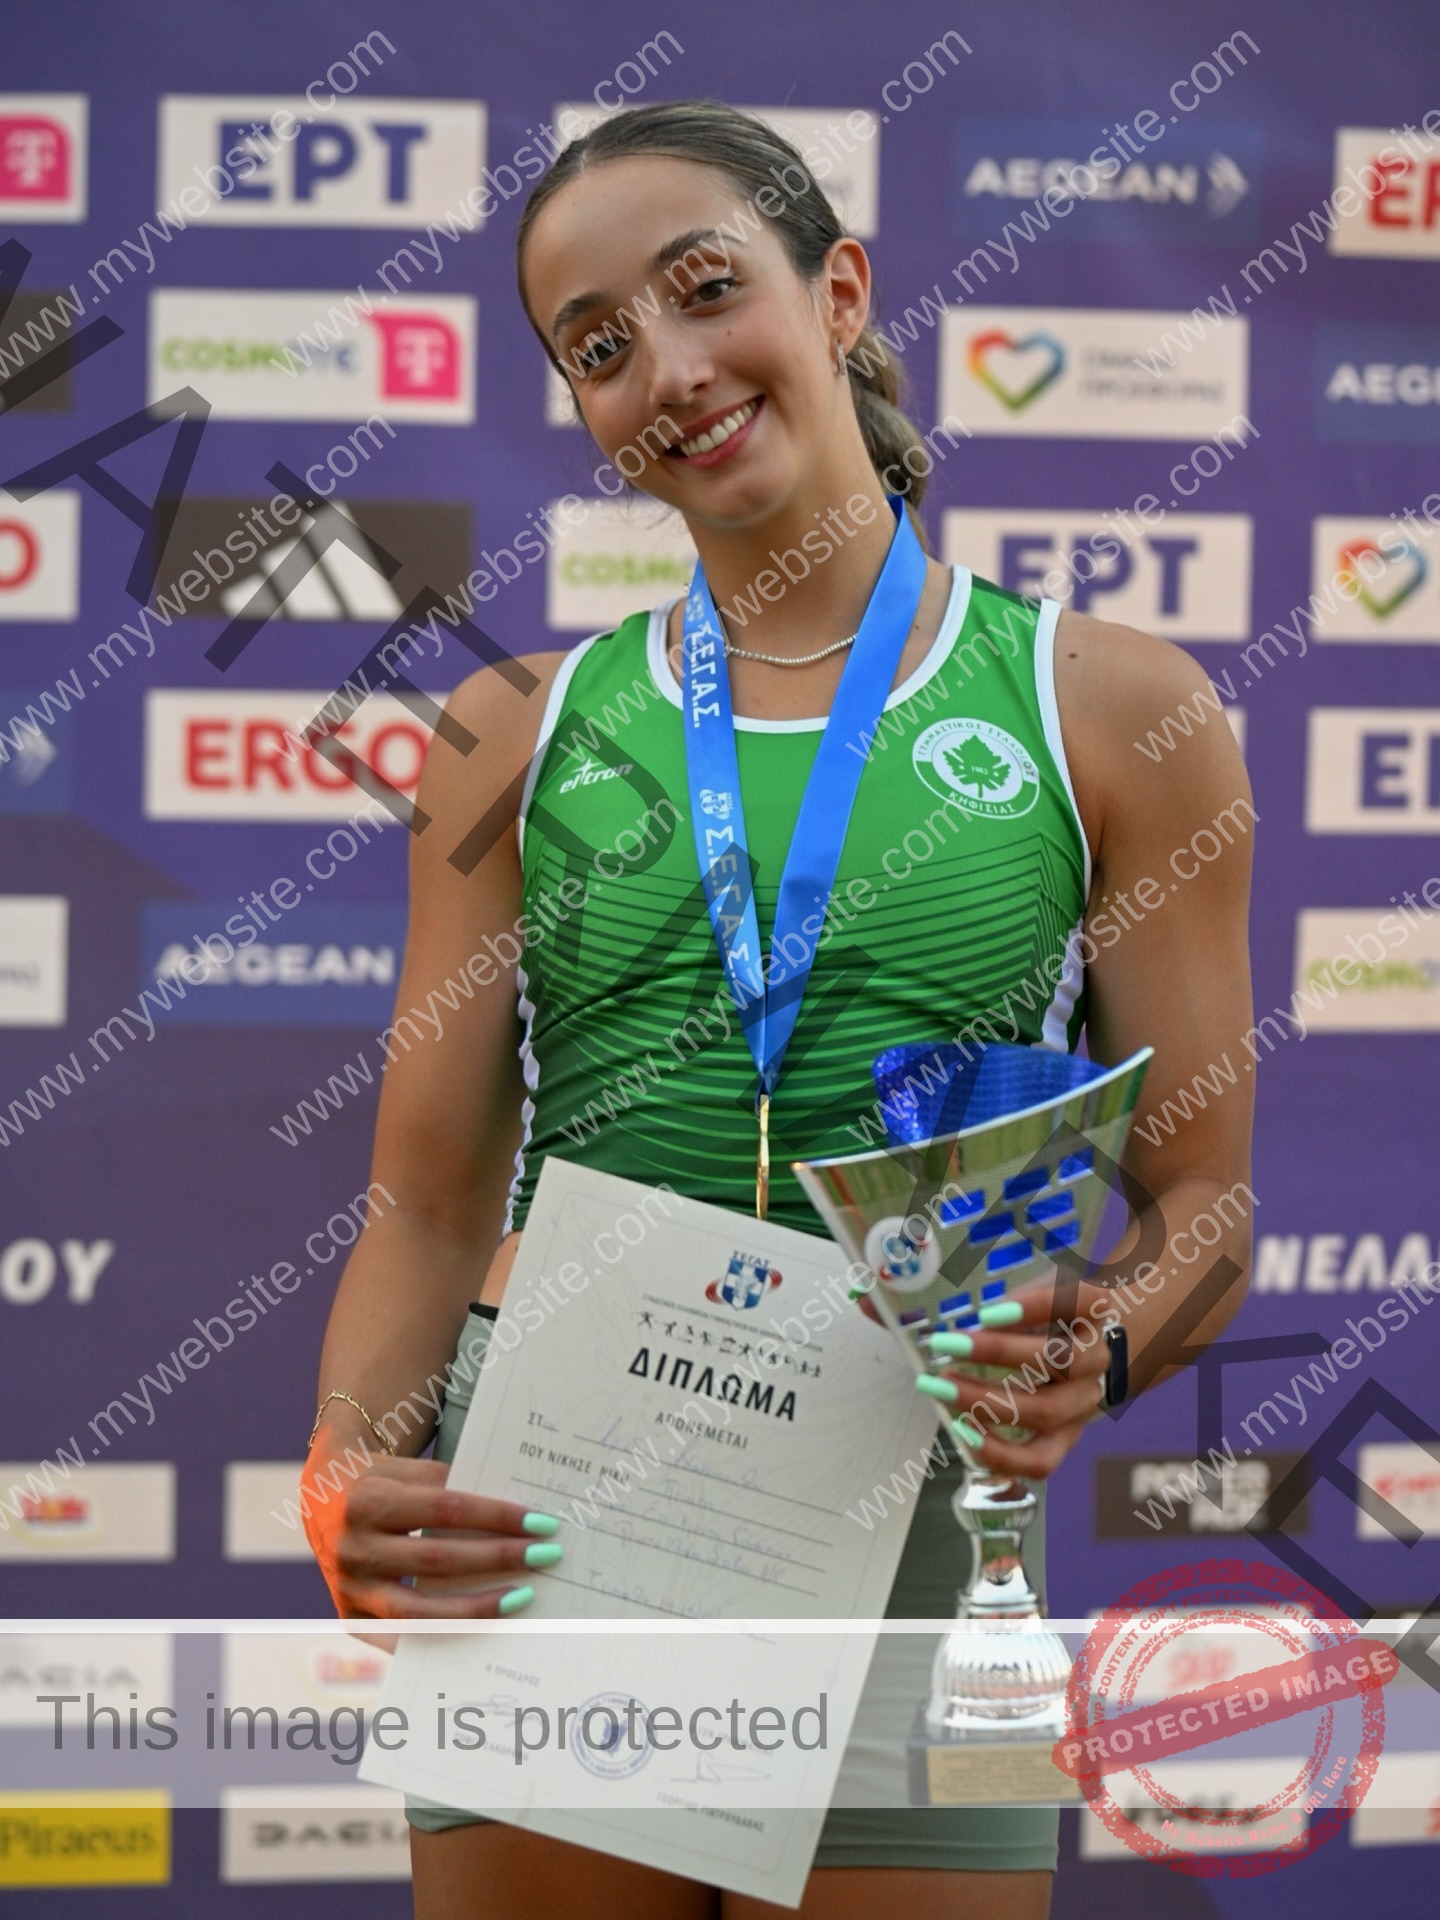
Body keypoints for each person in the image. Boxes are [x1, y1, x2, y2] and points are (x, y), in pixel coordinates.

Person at [300, 102, 1255, 1920]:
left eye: (702, 289)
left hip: (912, 1511)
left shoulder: (1117, 707)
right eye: (597, 349)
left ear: (838, 291)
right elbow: (425, 1204)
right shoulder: (512, 730)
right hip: (553, 1523)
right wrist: (347, 1469)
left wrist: (1107, 1345)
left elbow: (1206, 1207)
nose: (665, 370)